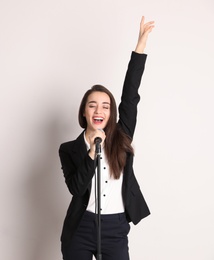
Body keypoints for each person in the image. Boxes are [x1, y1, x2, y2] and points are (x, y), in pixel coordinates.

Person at [58, 16, 154, 260]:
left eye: (105, 106)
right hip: (80, 228)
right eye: (92, 105)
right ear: (84, 111)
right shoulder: (68, 149)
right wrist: (91, 151)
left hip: (115, 228)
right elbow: (76, 188)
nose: (99, 111)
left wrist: (140, 46)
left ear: (111, 112)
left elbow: (130, 95)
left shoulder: (121, 137)